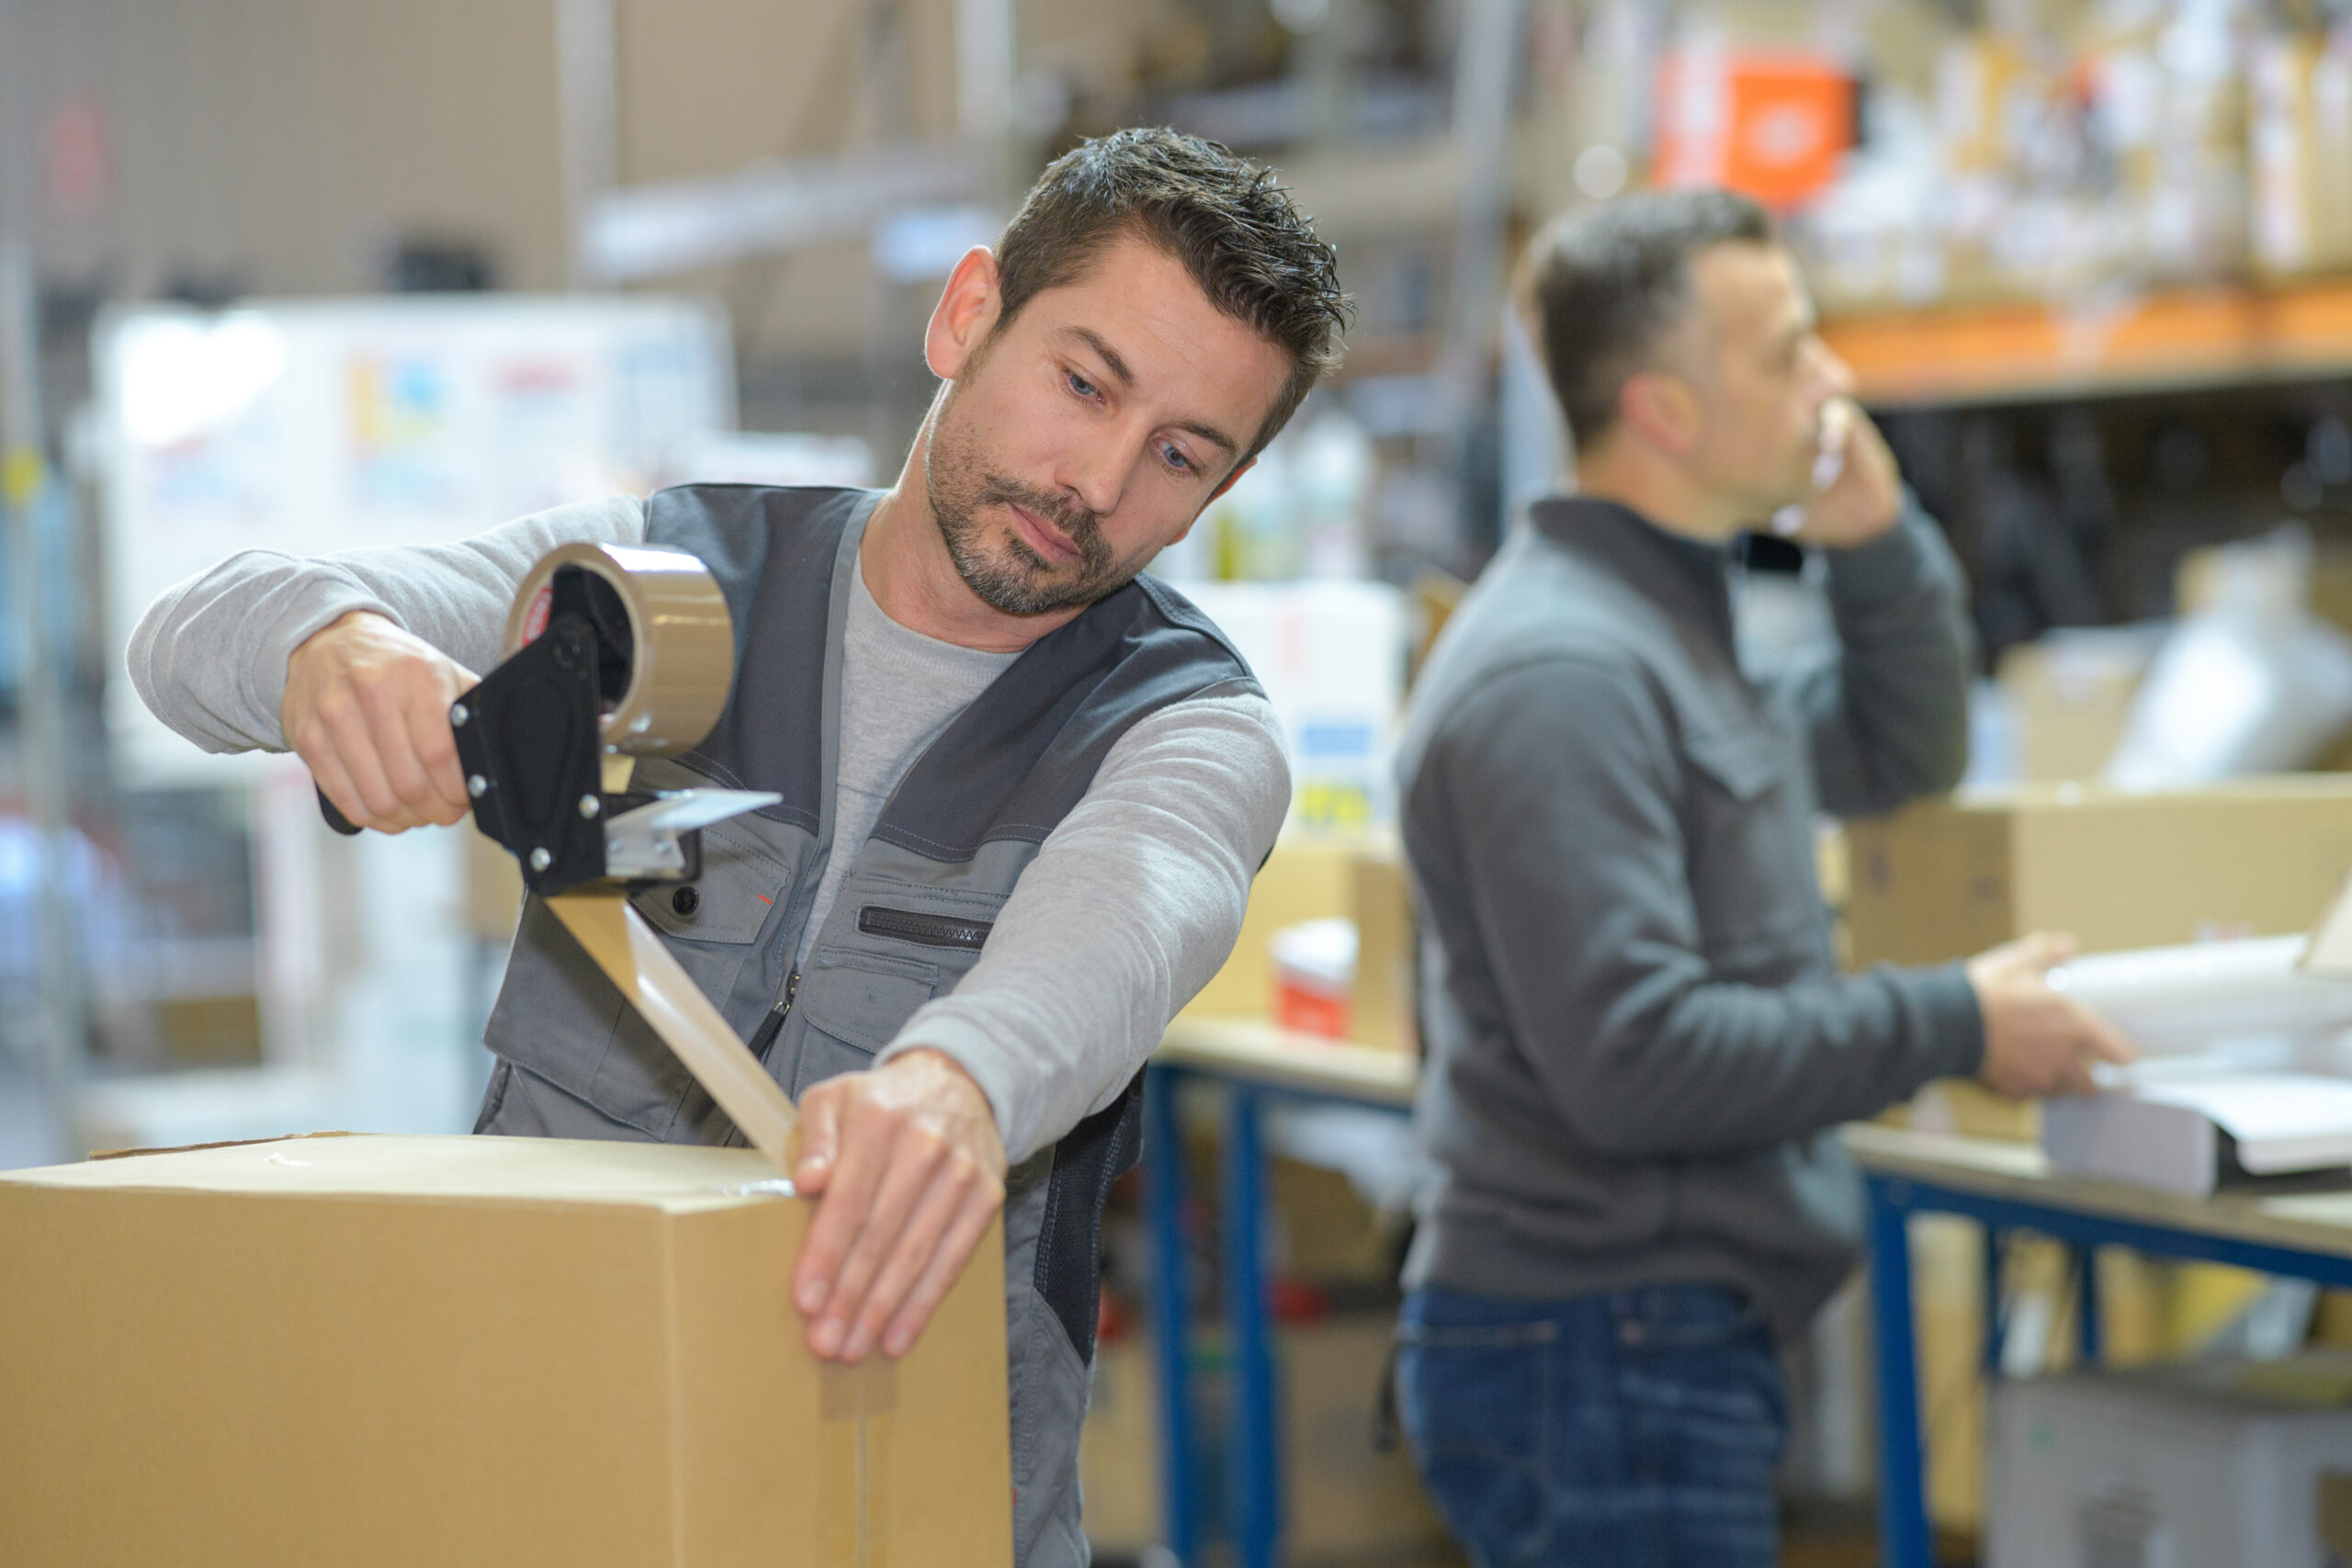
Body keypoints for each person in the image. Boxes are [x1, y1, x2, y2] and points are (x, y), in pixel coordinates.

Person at [130, 128, 1350, 1568]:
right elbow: (187, 640)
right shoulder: (669, 574)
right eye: (1082, 383)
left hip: (907, 1504)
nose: (1093, 477)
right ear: (968, 314)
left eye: (1178, 455)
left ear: (1218, 494)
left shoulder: (1183, 728)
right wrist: (325, 647)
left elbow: (1128, 924)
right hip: (533, 1473)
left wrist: (960, 1087)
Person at [1389, 190, 2133, 1568]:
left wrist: (1875, 539)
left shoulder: (1669, 631)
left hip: (1644, 1338)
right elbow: (1639, 1061)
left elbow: (1901, 745)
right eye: (1790, 351)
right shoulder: (1568, 673)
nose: (1834, 379)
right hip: (1597, 1345)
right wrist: (1957, 1022)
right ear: (1665, 411)